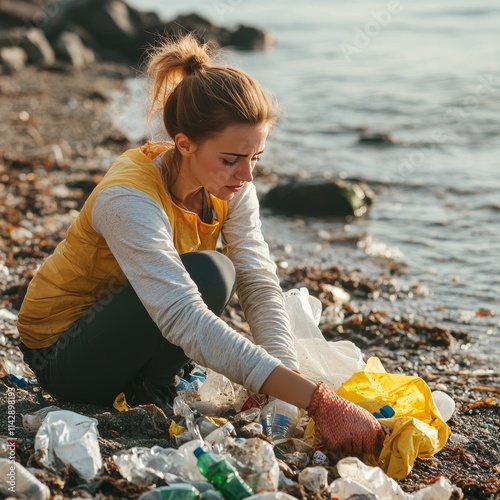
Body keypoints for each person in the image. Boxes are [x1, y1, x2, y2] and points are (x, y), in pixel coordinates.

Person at [17, 34, 384, 456]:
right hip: (62, 352)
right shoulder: (129, 198)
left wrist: (285, 382)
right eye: (232, 159)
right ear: (184, 144)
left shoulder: (229, 184)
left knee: (226, 270)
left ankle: (148, 387)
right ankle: (139, 386)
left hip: (133, 327)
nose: (246, 175)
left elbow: (257, 279)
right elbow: (181, 316)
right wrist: (317, 399)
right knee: (208, 272)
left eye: (256, 158)